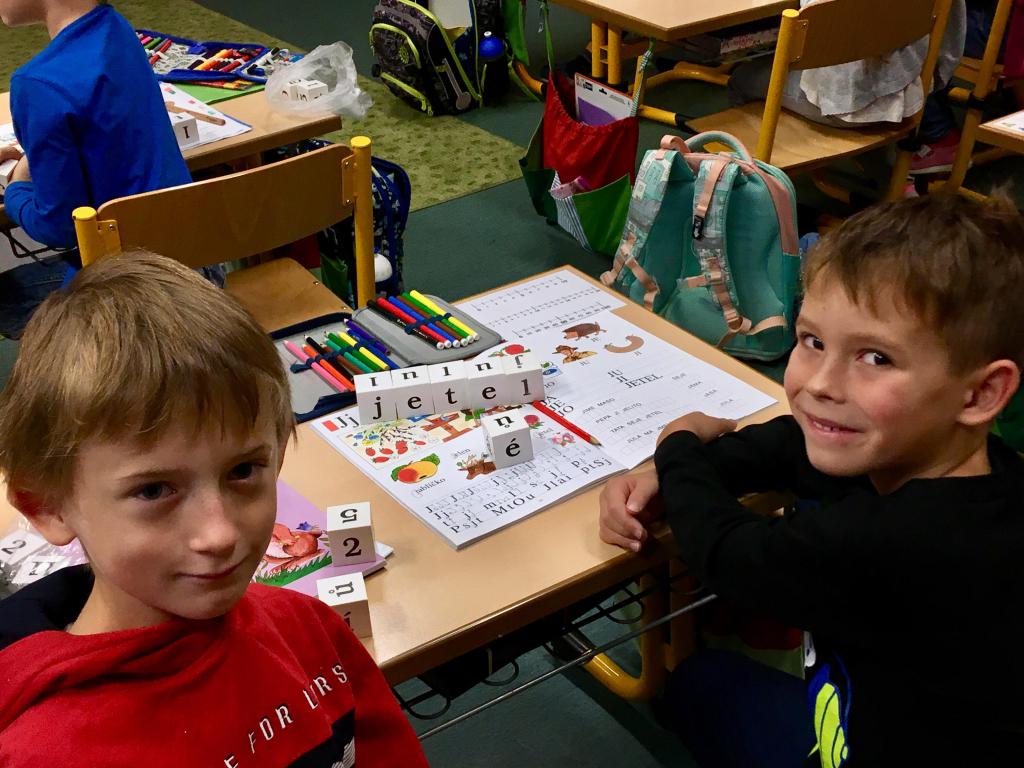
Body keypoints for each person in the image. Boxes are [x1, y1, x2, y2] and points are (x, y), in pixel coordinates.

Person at [598, 194, 1024, 767]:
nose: (821, 383)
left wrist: (676, 446)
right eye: (813, 341)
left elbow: (726, 554)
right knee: (706, 680)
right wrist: (692, 467)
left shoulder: (893, 541)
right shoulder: (978, 464)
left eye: (876, 358)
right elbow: (799, 444)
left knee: (695, 686)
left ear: (980, 394)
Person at [0, 252, 428, 767]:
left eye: (243, 470)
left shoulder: (307, 628)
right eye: (154, 491)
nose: (220, 534)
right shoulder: (45, 754)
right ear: (47, 507)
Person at [0, 0, 216, 339]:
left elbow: (58, 227)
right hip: (196, 266)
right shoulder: (116, 28)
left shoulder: (37, 83)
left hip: (131, 307)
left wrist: (16, 187)